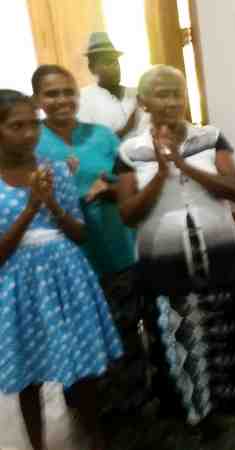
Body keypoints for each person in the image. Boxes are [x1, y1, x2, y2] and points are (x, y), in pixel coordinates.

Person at [115, 65, 235, 425]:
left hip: (218, 252)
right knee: (176, 332)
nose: (170, 101)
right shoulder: (130, 150)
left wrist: (183, 164)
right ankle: (193, 411)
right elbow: (128, 214)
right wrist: (161, 175)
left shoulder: (210, 138)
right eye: (161, 94)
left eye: (176, 93)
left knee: (228, 329)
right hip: (162, 261)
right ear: (144, 102)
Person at [0, 89, 122, 450]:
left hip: (67, 276)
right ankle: (37, 444)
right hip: (17, 285)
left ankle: (94, 437)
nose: (28, 134)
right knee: (29, 374)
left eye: (33, 124)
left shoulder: (54, 170)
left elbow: (80, 234)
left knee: (84, 368)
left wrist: (51, 202)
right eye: (16, 126)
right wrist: (29, 209)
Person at [30, 64, 144, 414]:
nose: (62, 100)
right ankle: (91, 406)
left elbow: (130, 180)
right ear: (37, 99)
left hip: (116, 244)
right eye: (52, 94)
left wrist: (109, 188)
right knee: (81, 333)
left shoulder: (102, 136)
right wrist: (76, 196)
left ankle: (135, 396)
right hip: (66, 258)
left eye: (68, 92)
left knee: (126, 325)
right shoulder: (32, 143)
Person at [78, 32, 149, 141]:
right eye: (107, 62)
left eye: (115, 62)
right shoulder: (83, 98)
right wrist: (125, 129)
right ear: (92, 68)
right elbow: (91, 145)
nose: (114, 67)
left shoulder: (137, 94)